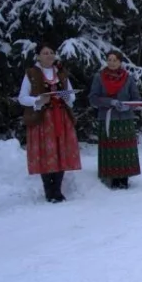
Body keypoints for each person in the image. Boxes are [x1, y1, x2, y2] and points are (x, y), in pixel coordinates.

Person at [17, 43, 82, 202]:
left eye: (51, 52)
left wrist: (66, 96)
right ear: (38, 56)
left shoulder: (60, 72)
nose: (49, 55)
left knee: (61, 152)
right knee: (45, 154)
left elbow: (71, 97)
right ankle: (49, 190)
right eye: (45, 53)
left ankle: (57, 190)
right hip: (42, 120)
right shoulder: (31, 73)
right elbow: (22, 98)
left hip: (60, 117)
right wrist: (38, 99)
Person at [89, 51, 142, 189]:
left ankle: (124, 179)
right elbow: (93, 98)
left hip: (124, 119)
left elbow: (136, 98)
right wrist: (110, 102)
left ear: (120, 62)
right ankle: (111, 178)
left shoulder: (128, 78)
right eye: (109, 59)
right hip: (107, 119)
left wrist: (128, 106)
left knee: (124, 150)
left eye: (115, 60)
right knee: (110, 149)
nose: (112, 62)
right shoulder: (99, 77)